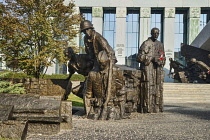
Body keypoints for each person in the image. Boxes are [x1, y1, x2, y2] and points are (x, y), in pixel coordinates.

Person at [136, 27, 165, 113]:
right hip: (148, 68)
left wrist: (160, 61)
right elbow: (139, 57)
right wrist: (151, 58)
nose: (156, 35)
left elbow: (162, 56)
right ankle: (147, 108)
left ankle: (157, 107)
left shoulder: (160, 44)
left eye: (157, 33)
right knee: (148, 86)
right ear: (151, 33)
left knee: (158, 87)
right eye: (154, 33)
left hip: (157, 69)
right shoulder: (146, 43)